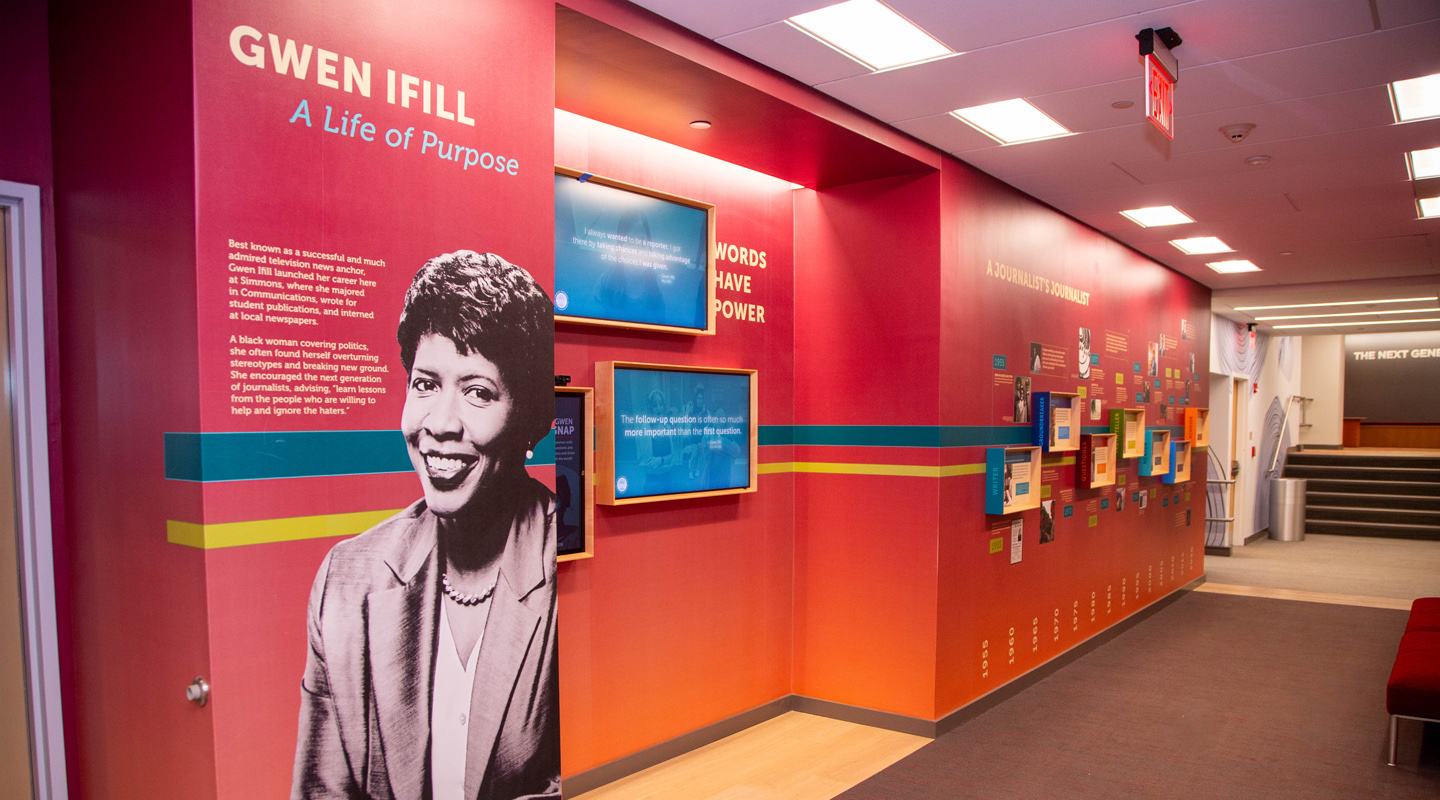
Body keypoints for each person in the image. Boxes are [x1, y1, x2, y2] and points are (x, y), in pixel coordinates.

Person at [292, 251, 559, 800]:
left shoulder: (569, 567)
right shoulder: (347, 582)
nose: (439, 424)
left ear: (528, 421)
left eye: (479, 392)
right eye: (425, 384)